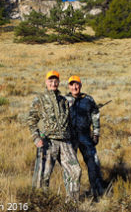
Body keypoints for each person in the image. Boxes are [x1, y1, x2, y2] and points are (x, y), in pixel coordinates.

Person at [27, 70, 81, 202]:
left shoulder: (63, 100)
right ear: (46, 83)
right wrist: (36, 138)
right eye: (50, 81)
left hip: (66, 143)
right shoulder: (39, 99)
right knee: (42, 177)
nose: (53, 83)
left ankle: (72, 203)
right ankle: (40, 203)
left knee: (75, 170)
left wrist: (74, 141)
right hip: (48, 143)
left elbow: (69, 122)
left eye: (55, 81)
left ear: (58, 82)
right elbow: (31, 120)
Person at [65, 75, 104, 200]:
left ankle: (97, 194)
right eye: (72, 84)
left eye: (77, 84)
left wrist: (96, 133)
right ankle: (72, 196)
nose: (74, 87)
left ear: (80, 85)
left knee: (93, 164)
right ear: (69, 86)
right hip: (70, 139)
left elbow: (95, 115)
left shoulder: (88, 99)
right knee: (71, 168)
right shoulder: (64, 100)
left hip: (86, 137)